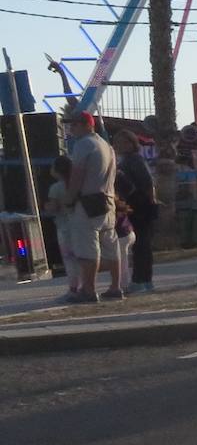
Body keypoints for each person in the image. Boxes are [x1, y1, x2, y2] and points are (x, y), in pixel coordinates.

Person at [60, 111, 119, 303]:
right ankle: (115, 286)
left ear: (87, 124)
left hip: (87, 201)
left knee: (86, 249)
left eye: (75, 125)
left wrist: (69, 198)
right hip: (107, 200)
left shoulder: (83, 144)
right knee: (111, 245)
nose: (71, 129)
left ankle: (88, 289)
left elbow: (78, 174)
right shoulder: (106, 145)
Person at [112, 130, 158, 293]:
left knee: (141, 244)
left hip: (140, 206)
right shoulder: (125, 161)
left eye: (125, 142)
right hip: (132, 205)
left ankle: (141, 280)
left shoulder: (134, 160)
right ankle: (144, 279)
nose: (121, 145)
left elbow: (147, 182)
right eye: (118, 142)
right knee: (141, 245)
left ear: (132, 143)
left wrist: (150, 202)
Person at [46, 155, 76, 295]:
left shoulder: (56, 188)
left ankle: (73, 287)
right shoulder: (77, 184)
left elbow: (54, 207)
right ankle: (84, 283)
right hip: (79, 224)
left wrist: (46, 206)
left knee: (69, 259)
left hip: (64, 226)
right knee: (82, 256)